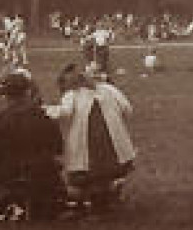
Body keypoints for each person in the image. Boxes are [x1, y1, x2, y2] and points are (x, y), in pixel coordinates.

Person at [0, 72, 66, 220]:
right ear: (27, 92)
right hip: (42, 175)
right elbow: (58, 147)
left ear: (5, 94)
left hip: (8, 175)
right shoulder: (43, 118)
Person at [51, 63, 136, 209]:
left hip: (88, 141)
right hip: (110, 138)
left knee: (88, 168)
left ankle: (97, 199)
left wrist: (43, 110)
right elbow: (127, 109)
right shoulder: (109, 89)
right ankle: (107, 192)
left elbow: (64, 112)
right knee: (109, 165)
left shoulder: (73, 94)